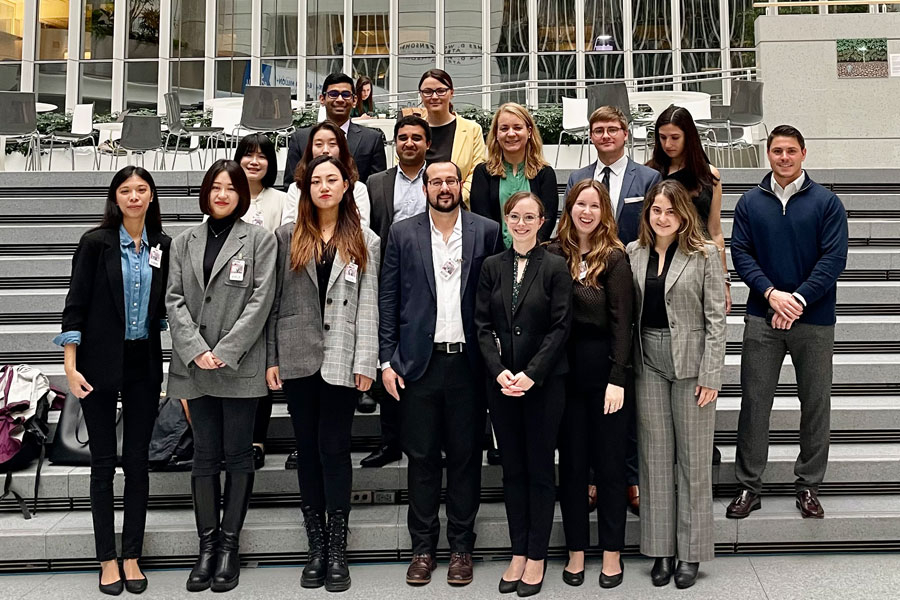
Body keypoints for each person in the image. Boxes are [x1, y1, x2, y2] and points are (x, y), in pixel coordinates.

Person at [380, 161, 503, 587]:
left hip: (469, 365)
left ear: (460, 185)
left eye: (451, 180)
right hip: (419, 365)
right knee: (422, 459)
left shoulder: (485, 231)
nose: (444, 187)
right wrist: (385, 360)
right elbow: (389, 300)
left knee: (467, 459)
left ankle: (462, 549)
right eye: (436, 181)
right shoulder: (402, 233)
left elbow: (494, 302)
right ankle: (423, 548)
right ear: (426, 187)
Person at [266, 155, 380, 592]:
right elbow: (273, 303)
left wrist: (366, 361)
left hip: (343, 357)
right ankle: (315, 543)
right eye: (317, 180)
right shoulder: (284, 237)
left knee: (335, 448)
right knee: (307, 449)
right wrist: (272, 358)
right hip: (297, 357)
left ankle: (337, 546)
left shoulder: (365, 239)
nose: (325, 186)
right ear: (306, 189)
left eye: (332, 179)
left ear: (346, 186)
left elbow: (369, 305)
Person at [55, 166, 170, 596]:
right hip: (97, 361)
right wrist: (70, 365)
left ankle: (133, 555)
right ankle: (107, 558)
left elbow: (163, 308)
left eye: (142, 190)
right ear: (115, 198)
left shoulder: (163, 245)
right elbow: (75, 303)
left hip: (143, 362)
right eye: (126, 190)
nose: (135, 197)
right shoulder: (95, 243)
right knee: (103, 463)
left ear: (152, 197)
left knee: (137, 463)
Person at [726, 126, 848, 522]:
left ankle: (809, 485)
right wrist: (771, 294)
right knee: (754, 403)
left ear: (803, 153)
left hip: (813, 320)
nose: (783, 157)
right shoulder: (749, 203)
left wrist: (796, 299)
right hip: (763, 317)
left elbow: (833, 259)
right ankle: (749, 486)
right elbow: (741, 253)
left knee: (815, 403)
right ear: (768, 154)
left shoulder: (827, 203)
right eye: (777, 150)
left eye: (790, 151)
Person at [166, 159, 276, 593]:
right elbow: (173, 299)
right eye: (215, 187)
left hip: (240, 364)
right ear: (205, 193)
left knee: (238, 455)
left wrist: (225, 351)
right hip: (194, 367)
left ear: (241, 194)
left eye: (231, 188)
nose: (223, 194)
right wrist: (197, 350)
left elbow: (262, 299)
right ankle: (206, 547)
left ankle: (229, 547)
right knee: (204, 457)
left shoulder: (259, 239)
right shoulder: (183, 241)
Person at [626, 179, 726, 589]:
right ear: (647, 214)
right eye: (656, 210)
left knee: (694, 463)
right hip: (647, 360)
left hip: (691, 364)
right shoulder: (633, 253)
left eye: (670, 211)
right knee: (653, 460)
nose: (662, 217)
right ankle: (661, 551)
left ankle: (690, 553)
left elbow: (717, 320)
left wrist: (711, 374)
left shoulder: (703, 255)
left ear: (683, 214)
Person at [475, 191, 572, 597]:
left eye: (529, 217)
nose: (520, 223)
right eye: (514, 216)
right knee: (512, 469)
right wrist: (500, 374)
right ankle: (518, 550)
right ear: (505, 218)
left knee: (537, 470)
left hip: (544, 384)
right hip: (502, 387)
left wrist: (531, 375)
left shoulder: (555, 266)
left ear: (542, 221)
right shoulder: (491, 266)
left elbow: (561, 327)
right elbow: (480, 325)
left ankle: (537, 554)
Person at [566, 105, 662, 514]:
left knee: (626, 386)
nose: (605, 136)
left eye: (612, 129)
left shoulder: (649, 178)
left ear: (626, 134)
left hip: (632, 276)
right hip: (588, 285)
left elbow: (654, 224)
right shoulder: (576, 177)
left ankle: (630, 476)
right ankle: (590, 478)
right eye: (598, 130)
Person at [548, 179, 633, 589]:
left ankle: (612, 553)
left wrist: (618, 377)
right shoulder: (552, 253)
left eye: (594, 206)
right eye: (580, 204)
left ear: (604, 213)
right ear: (569, 208)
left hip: (605, 376)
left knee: (612, 467)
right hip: (563, 377)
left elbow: (622, 323)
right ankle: (577, 551)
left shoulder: (615, 258)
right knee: (574, 468)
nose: (586, 212)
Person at [359, 114, 432, 469]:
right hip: (388, 278)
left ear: (427, 144)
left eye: (417, 138)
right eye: (403, 137)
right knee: (388, 357)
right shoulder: (376, 183)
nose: (409, 143)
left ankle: (431, 441)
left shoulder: (439, 179)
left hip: (431, 282)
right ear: (395, 143)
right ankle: (390, 441)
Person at [233, 133, 292, 471]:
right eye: (248, 155)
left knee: (262, 371)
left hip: (267, 295)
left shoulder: (280, 200)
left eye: (262, 156)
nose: (254, 161)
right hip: (231, 299)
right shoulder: (227, 192)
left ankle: (257, 440)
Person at [646, 105, 731, 313]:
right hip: (661, 260)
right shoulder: (650, 172)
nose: (668, 144)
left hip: (698, 260)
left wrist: (724, 280)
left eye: (675, 137)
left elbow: (715, 231)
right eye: (662, 137)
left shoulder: (709, 175)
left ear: (689, 136)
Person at [471, 102, 559, 246]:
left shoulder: (545, 173)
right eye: (504, 128)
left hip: (535, 254)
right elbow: (482, 220)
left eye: (517, 127)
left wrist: (529, 251)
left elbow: (547, 219)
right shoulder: (483, 173)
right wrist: (503, 259)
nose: (511, 134)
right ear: (496, 134)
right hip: (494, 257)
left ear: (529, 131)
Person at [284, 73, 386, 188]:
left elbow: (377, 189)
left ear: (354, 100)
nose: (340, 99)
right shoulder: (300, 139)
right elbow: (291, 187)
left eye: (346, 94)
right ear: (322, 99)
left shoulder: (372, 140)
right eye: (333, 94)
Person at [285, 120, 372, 227]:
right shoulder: (296, 189)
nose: (325, 150)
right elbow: (288, 230)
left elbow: (361, 229)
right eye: (318, 144)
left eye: (332, 144)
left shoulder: (358, 189)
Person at [418, 69, 485, 205]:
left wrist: (455, 197)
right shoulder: (413, 131)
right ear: (421, 94)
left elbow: (476, 172)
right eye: (428, 91)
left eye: (441, 91)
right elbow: (404, 168)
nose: (434, 96)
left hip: (459, 207)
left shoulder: (472, 130)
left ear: (452, 93)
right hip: (419, 208)